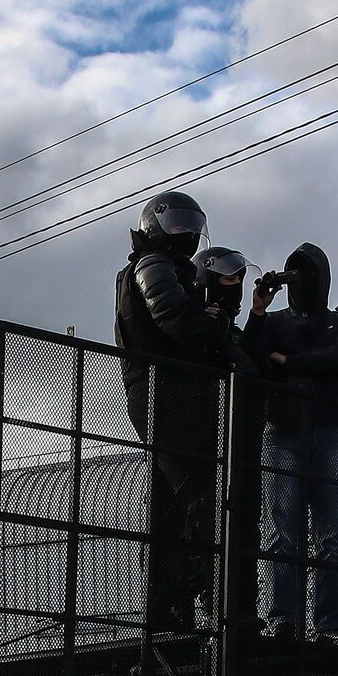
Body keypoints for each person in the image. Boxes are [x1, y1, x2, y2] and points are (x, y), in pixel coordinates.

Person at [114, 193, 255, 632]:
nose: (186, 232)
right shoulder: (151, 264)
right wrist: (212, 321)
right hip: (163, 390)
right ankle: (209, 598)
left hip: (174, 391)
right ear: (155, 227)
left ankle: (172, 606)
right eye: (175, 223)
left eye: (190, 223)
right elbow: (175, 317)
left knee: (172, 506)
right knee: (201, 494)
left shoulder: (165, 266)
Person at [245, 243, 338, 647]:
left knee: (330, 535)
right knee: (285, 533)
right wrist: (258, 310)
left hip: (329, 430)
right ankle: (285, 620)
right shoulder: (275, 321)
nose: (302, 282)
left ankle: (328, 624)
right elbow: (254, 357)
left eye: (308, 274)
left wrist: (289, 362)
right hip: (284, 430)